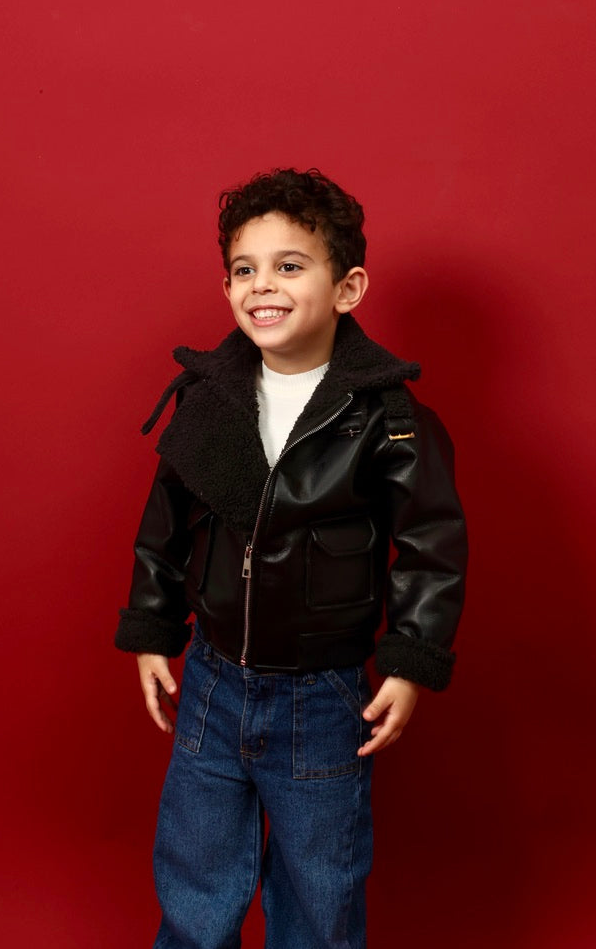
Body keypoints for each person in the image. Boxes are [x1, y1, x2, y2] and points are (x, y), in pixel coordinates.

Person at [115, 167, 467, 949]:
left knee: (318, 892)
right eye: (244, 269)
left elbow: (432, 545)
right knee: (197, 883)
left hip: (322, 697)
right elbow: (165, 523)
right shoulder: (208, 398)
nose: (262, 286)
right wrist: (151, 629)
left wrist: (411, 662)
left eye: (289, 265)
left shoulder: (386, 416)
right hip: (212, 687)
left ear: (348, 288)